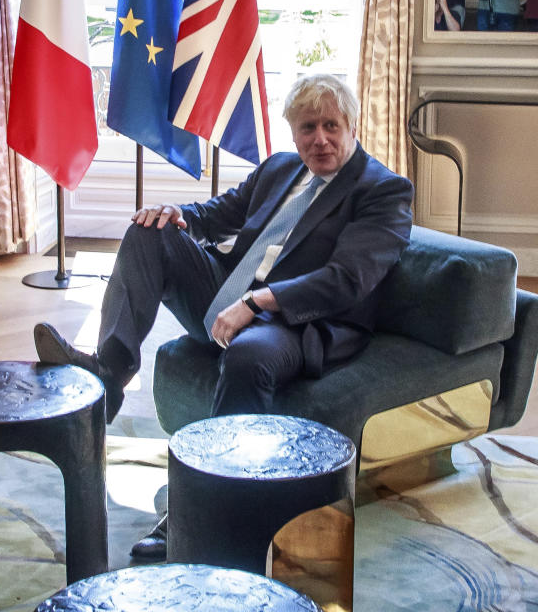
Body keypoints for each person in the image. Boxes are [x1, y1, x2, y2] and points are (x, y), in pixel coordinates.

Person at [33, 74, 414, 560]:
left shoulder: (382, 190)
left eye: (331, 126)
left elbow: (347, 280)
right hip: (230, 294)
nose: (320, 139)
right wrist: (177, 214)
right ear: (293, 134)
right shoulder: (280, 168)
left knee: (249, 357)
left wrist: (257, 303)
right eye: (307, 128)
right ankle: (109, 373)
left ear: (352, 126)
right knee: (147, 232)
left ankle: (199, 508)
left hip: (298, 320)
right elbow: (217, 214)